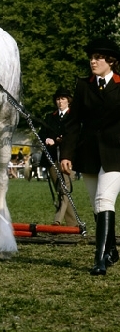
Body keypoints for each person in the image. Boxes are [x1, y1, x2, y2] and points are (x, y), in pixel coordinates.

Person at [60, 38, 120, 275]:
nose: (92, 61)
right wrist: (67, 154)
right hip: (89, 155)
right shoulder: (83, 86)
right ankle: (112, 249)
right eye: (91, 58)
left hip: (116, 153)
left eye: (98, 58)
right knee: (97, 207)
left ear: (111, 61)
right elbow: (73, 124)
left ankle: (100, 260)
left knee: (104, 201)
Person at [39, 87, 77, 226]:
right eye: (58, 99)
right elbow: (42, 133)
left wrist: (61, 140)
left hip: (68, 158)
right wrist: (47, 139)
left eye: (63, 99)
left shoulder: (74, 116)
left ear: (68, 101)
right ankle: (73, 224)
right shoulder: (50, 117)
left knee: (65, 188)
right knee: (60, 190)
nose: (60, 102)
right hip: (52, 158)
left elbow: (75, 135)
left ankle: (57, 220)